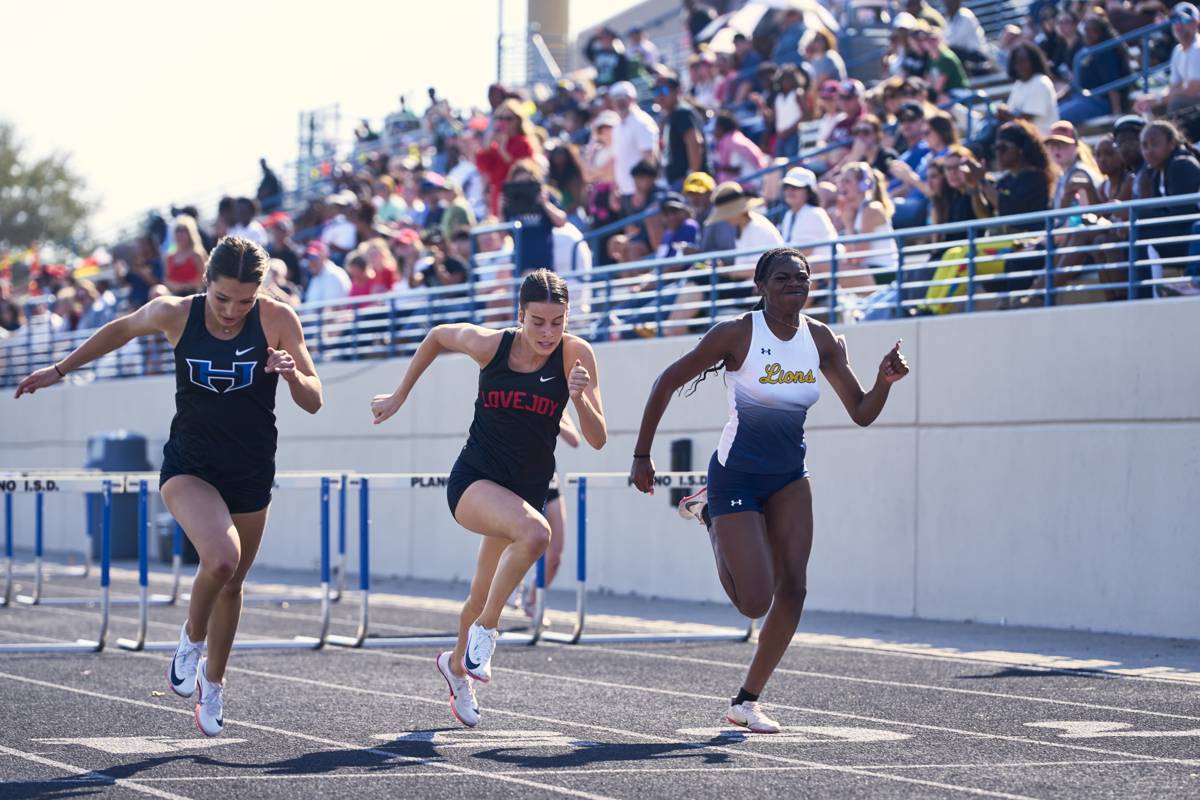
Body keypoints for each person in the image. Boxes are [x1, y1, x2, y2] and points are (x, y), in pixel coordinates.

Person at [14, 236, 323, 736]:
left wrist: (290, 375)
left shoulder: (277, 320)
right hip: (189, 466)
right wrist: (59, 370)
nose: (231, 311)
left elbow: (314, 399)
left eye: (244, 301)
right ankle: (190, 638)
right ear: (207, 284)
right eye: (223, 298)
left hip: (250, 468)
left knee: (234, 583)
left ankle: (214, 684)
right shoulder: (176, 314)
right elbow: (120, 329)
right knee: (220, 560)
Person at [630, 246, 910, 734]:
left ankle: (746, 700)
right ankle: (710, 515)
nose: (795, 285)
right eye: (783, 278)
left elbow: (862, 411)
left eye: (802, 277)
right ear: (761, 285)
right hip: (735, 475)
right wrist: (641, 455)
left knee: (795, 587)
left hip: (788, 477)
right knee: (754, 602)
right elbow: (666, 381)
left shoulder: (821, 338)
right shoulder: (737, 333)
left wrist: (884, 381)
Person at [369, 270, 607, 728]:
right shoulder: (490, 345)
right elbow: (438, 336)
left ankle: (457, 668)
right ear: (520, 315)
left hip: (524, 489)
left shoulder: (576, 355)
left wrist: (580, 399)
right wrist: (400, 396)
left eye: (557, 322)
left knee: (481, 591)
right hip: (475, 481)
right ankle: (487, 631)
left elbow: (596, 439)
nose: (548, 333)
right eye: (537, 321)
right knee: (537, 534)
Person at [996, 42, 1060, 136]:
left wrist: (1005, 114)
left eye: (1023, 61)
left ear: (1033, 61)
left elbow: (1026, 120)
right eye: (1016, 62)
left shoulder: (1041, 83)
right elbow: (1012, 112)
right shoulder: (1019, 83)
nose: (1019, 66)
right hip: (1021, 138)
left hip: (1041, 139)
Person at [656, 74, 707, 188]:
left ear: (677, 91)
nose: (659, 95)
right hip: (675, 182)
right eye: (656, 91)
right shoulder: (669, 115)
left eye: (663, 90)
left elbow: (695, 143)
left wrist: (693, 179)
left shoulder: (682, 112)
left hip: (688, 184)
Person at [165, 216, 208, 295]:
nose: (180, 235)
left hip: (195, 294)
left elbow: (204, 278)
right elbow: (167, 280)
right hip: (176, 297)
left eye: (184, 231)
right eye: (178, 231)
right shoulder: (169, 257)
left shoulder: (197, 254)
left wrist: (187, 286)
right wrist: (178, 287)